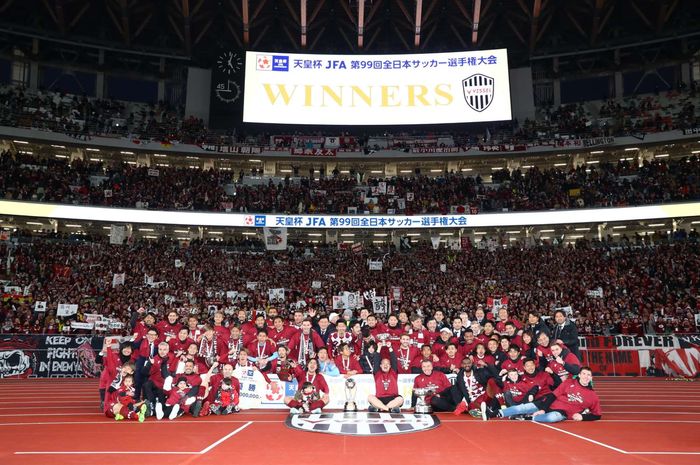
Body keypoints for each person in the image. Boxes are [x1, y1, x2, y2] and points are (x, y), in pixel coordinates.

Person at [496, 367, 602, 423]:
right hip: (546, 403)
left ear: (591, 378)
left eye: (588, 375)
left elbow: (597, 415)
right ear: (579, 375)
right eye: (583, 374)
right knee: (522, 408)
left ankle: (529, 418)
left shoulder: (593, 396)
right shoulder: (569, 382)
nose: (586, 377)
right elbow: (552, 396)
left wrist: (583, 417)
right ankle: (497, 413)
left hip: (561, 413)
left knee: (552, 418)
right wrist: (543, 409)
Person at [367, 340, 403, 413]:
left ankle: (380, 408)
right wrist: (379, 348)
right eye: (383, 364)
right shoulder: (377, 373)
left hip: (393, 399)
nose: (385, 365)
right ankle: (388, 409)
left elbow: (394, 360)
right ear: (380, 366)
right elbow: (376, 360)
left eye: (387, 364)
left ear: (390, 366)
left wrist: (390, 347)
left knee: (400, 399)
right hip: (380, 399)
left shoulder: (393, 372)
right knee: (370, 397)